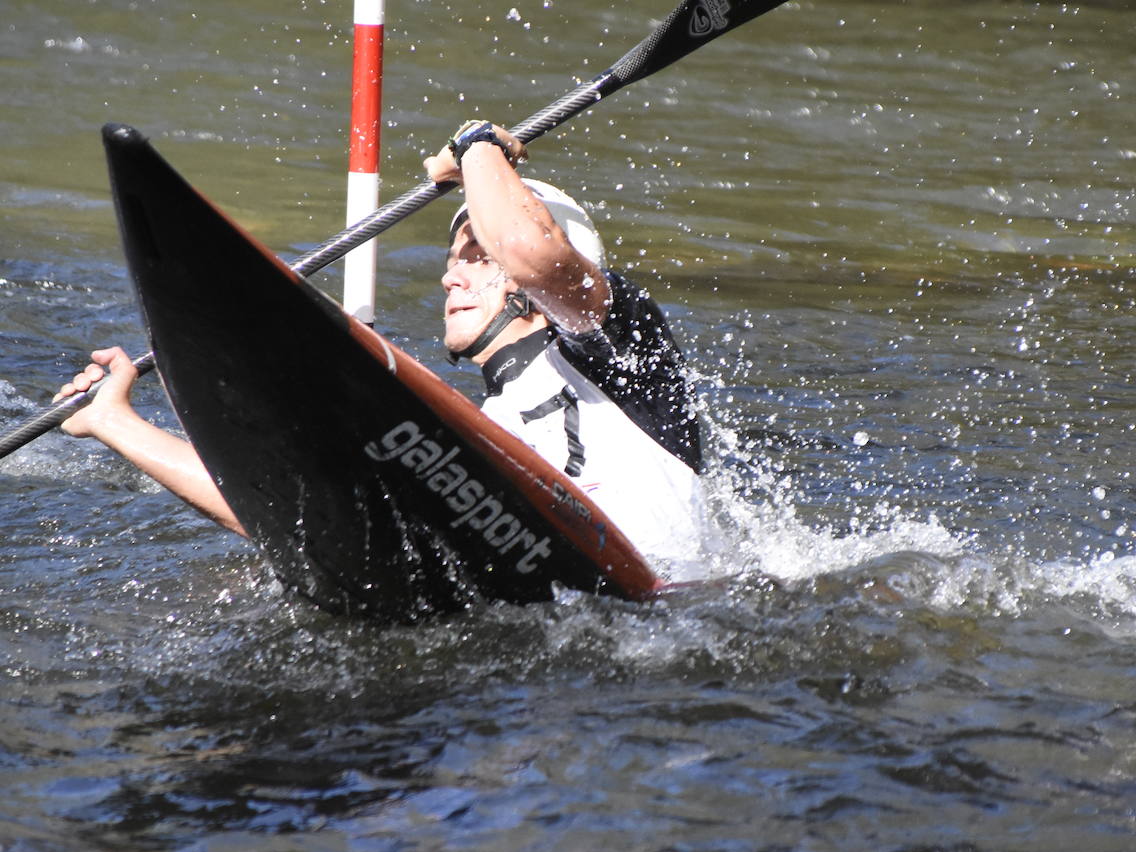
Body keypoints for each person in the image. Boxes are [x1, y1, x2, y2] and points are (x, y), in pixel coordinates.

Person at [55, 121, 714, 577]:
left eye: (474, 257)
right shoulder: (469, 441)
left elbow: (533, 255)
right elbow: (298, 514)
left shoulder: (622, 346)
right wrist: (115, 421)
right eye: (452, 258)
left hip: (671, 615)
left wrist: (477, 147)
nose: (448, 276)